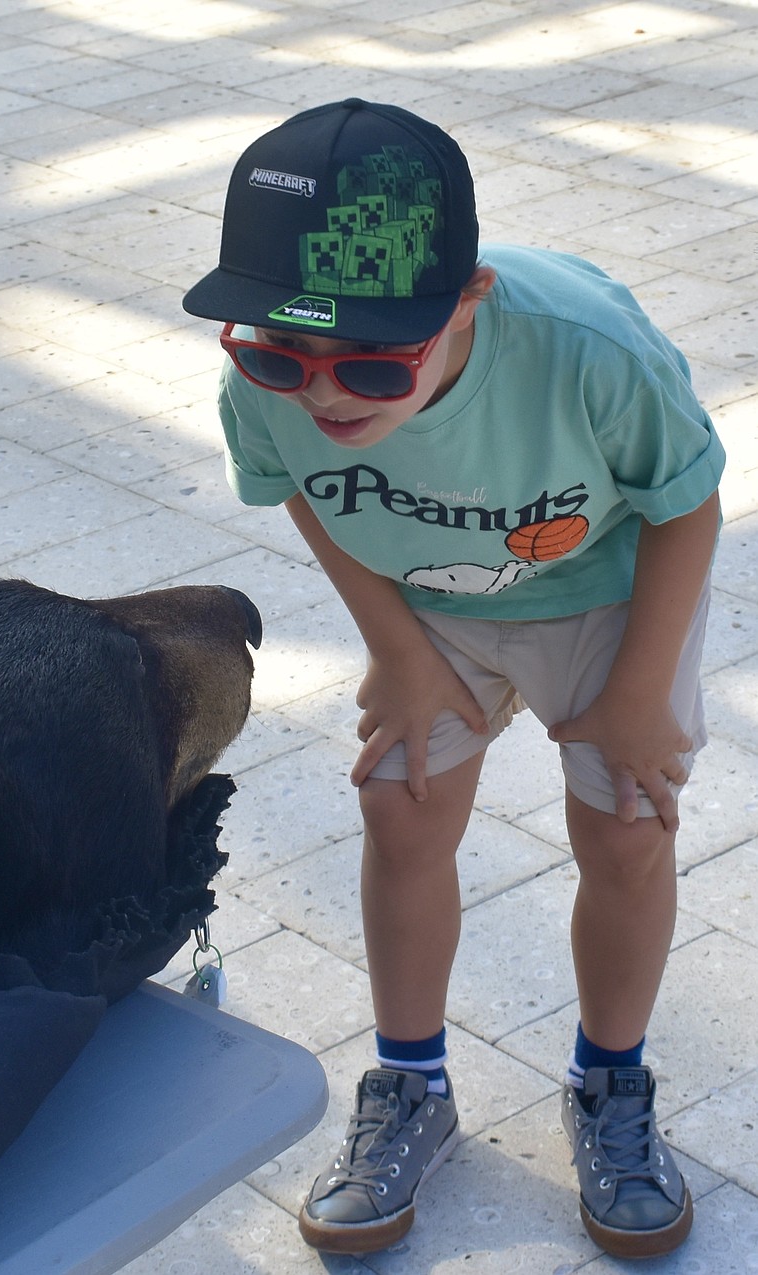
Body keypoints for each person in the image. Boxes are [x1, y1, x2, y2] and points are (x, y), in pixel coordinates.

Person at [181, 97, 724, 1260]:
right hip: (429, 605)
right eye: (281, 352)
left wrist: (636, 696)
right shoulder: (260, 383)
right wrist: (396, 649)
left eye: (373, 366)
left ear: (466, 301)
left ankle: (609, 1083)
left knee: (629, 827)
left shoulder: (591, 352)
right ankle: (411, 1083)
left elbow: (685, 505)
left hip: (605, 587)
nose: (322, 395)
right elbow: (300, 491)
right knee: (400, 803)